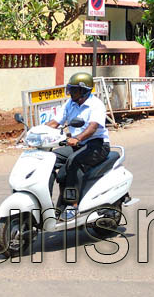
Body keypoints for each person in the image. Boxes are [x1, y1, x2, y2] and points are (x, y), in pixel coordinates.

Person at [45, 72, 110, 218]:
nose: (71, 92)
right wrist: (37, 132)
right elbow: (55, 122)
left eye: (74, 89)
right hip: (77, 144)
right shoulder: (70, 104)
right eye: (71, 89)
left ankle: (72, 205)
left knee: (74, 162)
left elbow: (93, 127)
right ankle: (45, 202)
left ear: (84, 91)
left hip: (97, 145)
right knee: (48, 158)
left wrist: (78, 138)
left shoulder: (96, 105)